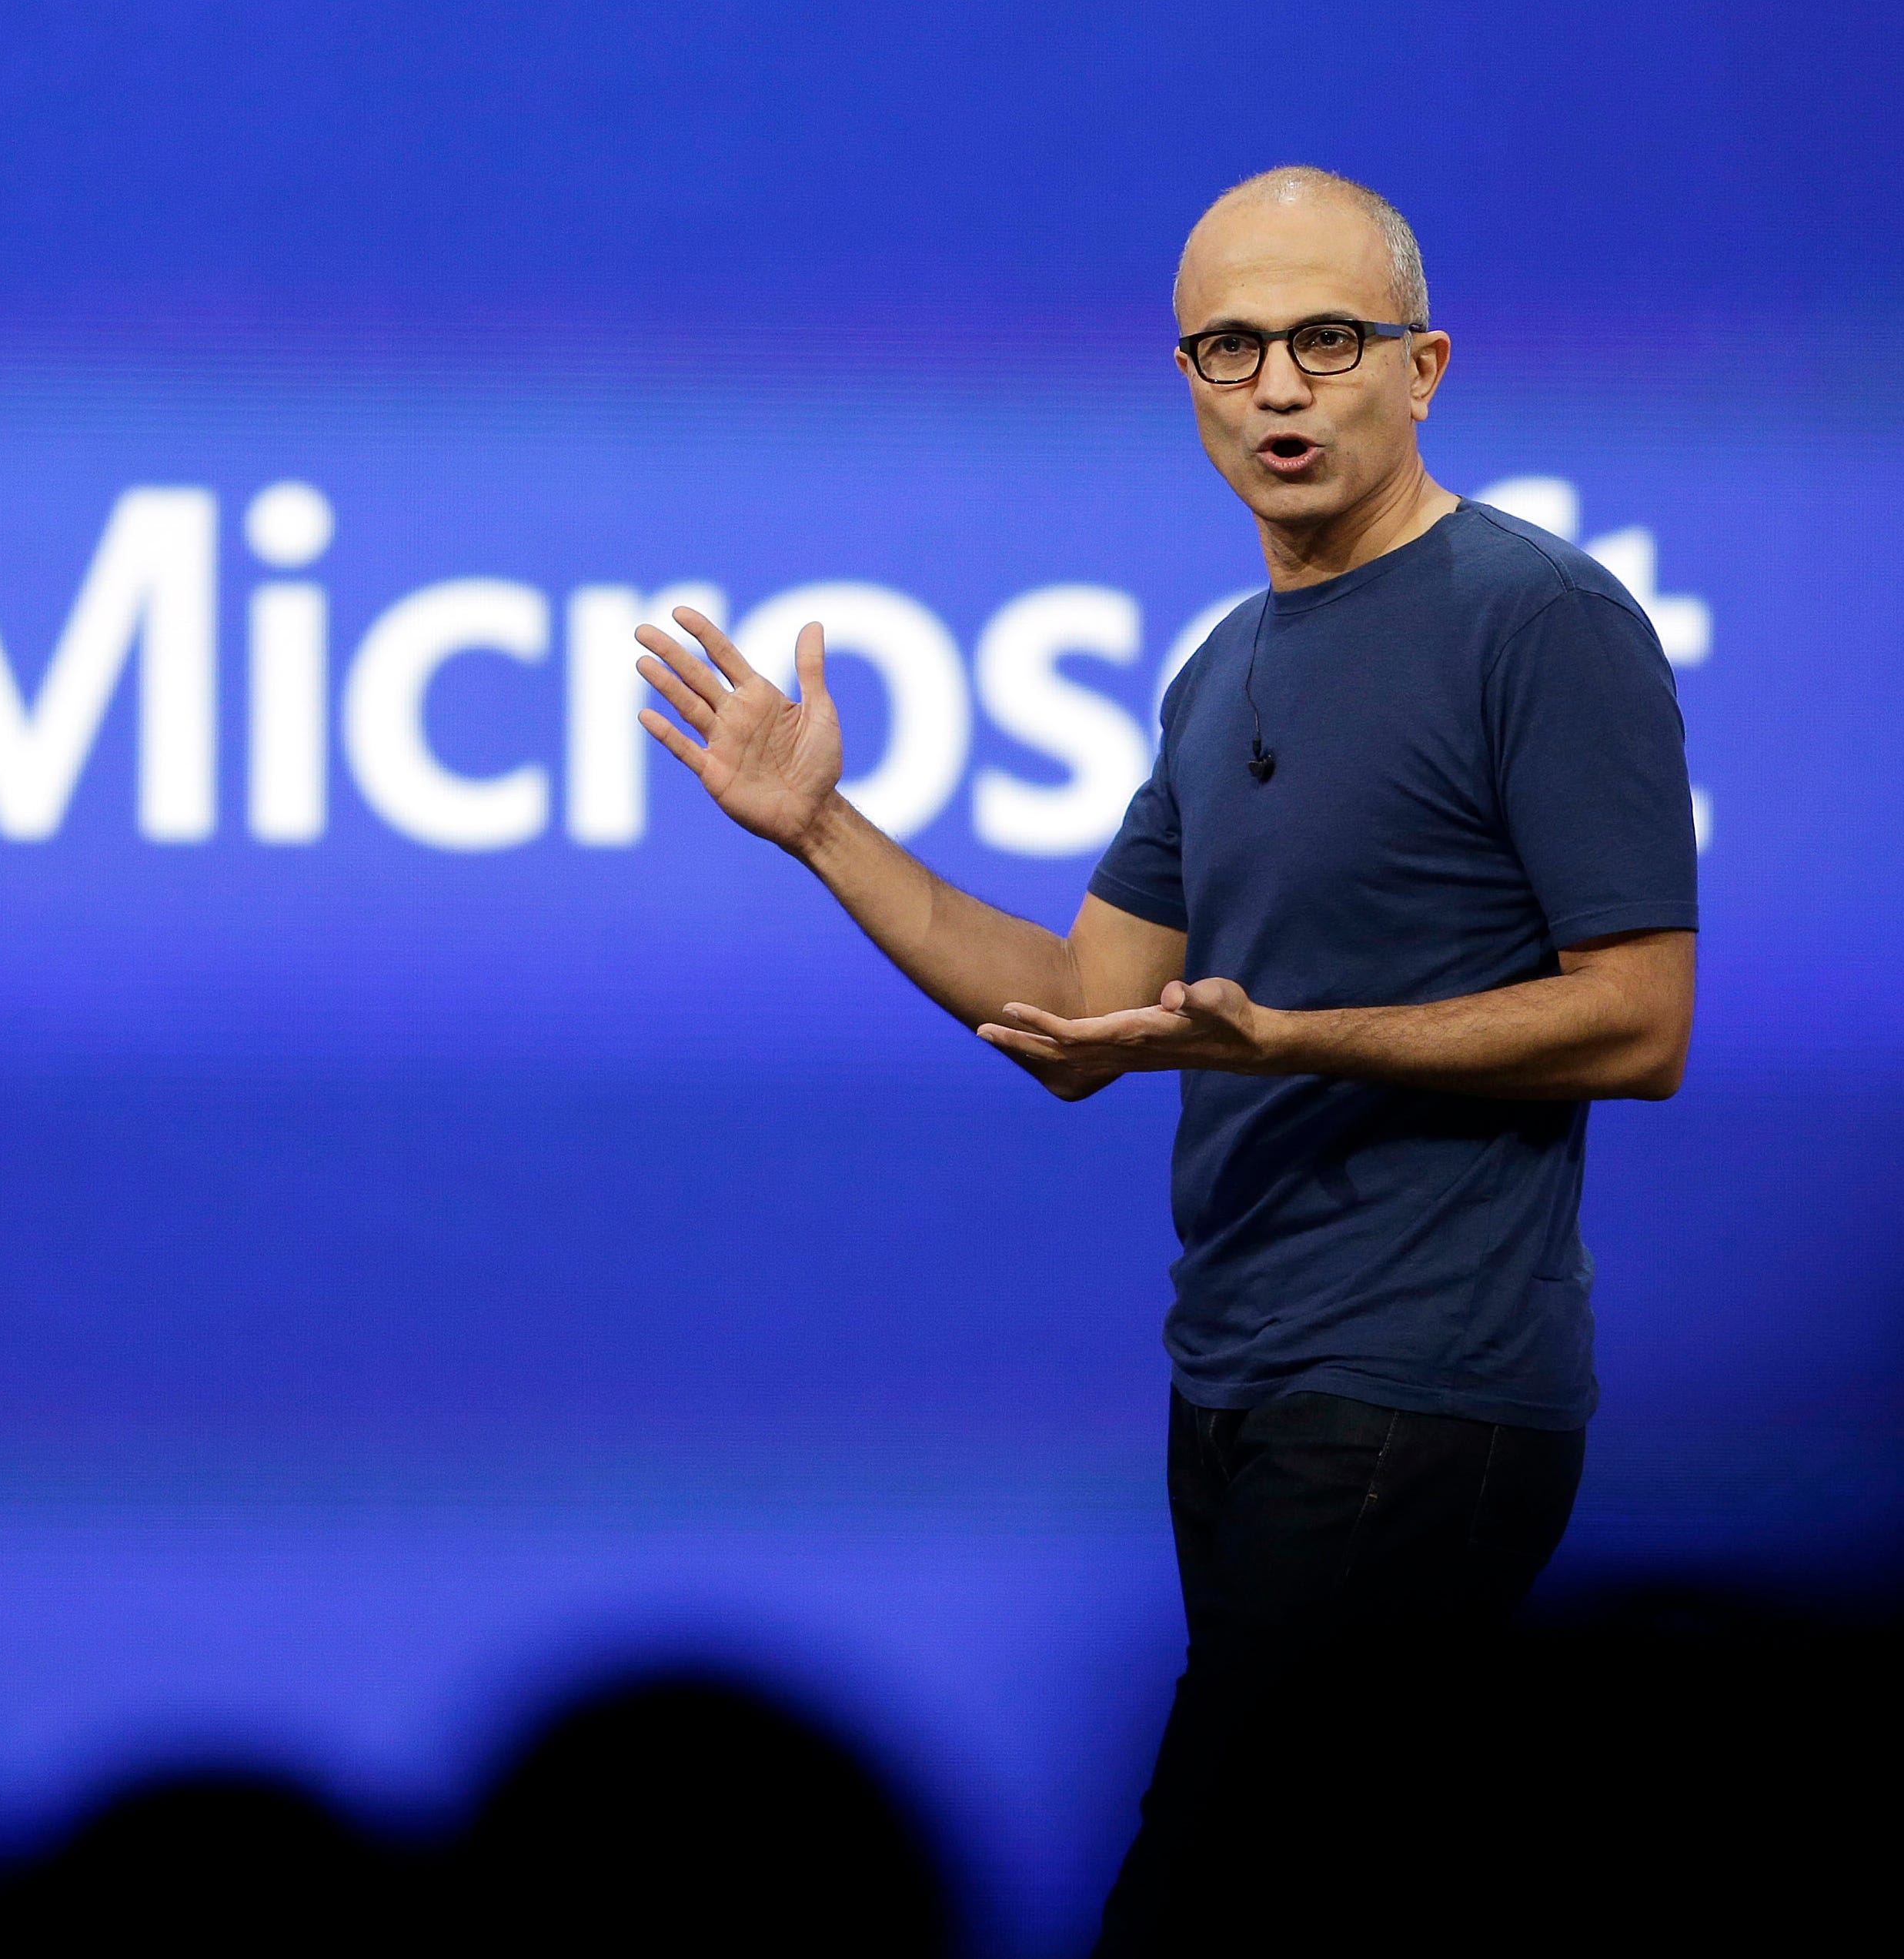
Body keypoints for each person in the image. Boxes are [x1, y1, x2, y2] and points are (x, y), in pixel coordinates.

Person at [632, 165, 1695, 1950]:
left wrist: (1295, 1036)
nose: (1277, 386)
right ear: (1187, 378)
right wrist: (826, 832)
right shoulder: (1224, 670)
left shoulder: (1542, 620)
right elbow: (1073, 1012)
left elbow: (1641, 1015)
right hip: (1239, 1383)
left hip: (1418, 1394)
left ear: (1423, 365)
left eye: (1326, 340)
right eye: (1231, 349)